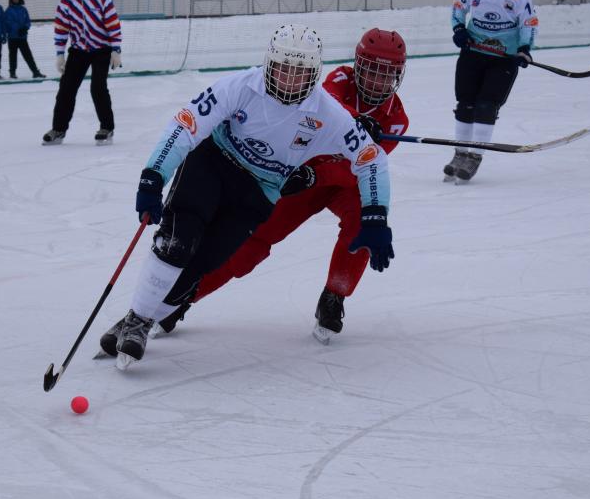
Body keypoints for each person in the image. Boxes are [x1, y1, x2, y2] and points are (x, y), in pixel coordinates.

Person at [96, 24, 395, 370]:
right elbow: (187, 123)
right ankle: (137, 319)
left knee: (203, 265)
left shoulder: (327, 114)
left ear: (314, 75)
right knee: (179, 240)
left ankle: (141, 320)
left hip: (258, 192)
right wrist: (153, 177)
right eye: (283, 68)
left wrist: (375, 216)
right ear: (269, 63)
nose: (289, 80)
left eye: (300, 73)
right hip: (213, 164)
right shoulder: (239, 87)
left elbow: (372, 160)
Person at [446, 0, 537, 182]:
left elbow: (528, 23)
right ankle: (460, 152)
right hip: (473, 54)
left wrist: (525, 48)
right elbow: (457, 11)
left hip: (502, 59)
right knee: (465, 104)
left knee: (486, 106)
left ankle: (474, 157)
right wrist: (459, 30)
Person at [43, 0, 122, 145]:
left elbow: (113, 25)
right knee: (66, 89)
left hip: (101, 50)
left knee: (98, 87)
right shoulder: (66, 3)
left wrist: (116, 50)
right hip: (78, 51)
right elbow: (61, 29)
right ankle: (58, 129)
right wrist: (60, 54)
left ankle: (107, 127)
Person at [2, 0, 45, 80]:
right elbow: (8, 23)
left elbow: (28, 21)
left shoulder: (23, 9)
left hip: (22, 37)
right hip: (13, 38)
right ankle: (12, 73)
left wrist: (25, 28)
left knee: (28, 55)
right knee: (13, 56)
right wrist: (18, 29)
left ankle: (35, 72)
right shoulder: (8, 11)